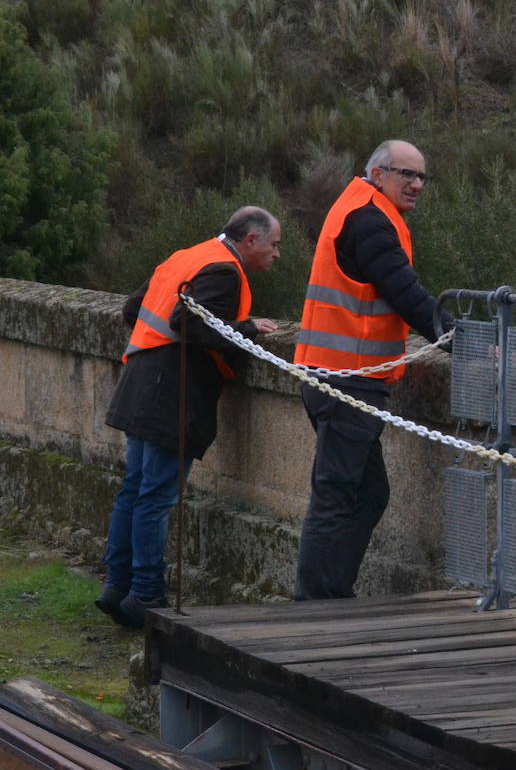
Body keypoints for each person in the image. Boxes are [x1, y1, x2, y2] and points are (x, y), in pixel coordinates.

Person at [98, 207, 282, 628]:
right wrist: (248, 328)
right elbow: (187, 321)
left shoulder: (186, 256)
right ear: (250, 240)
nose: (277, 254)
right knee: (155, 496)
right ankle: (146, 594)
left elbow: (133, 308)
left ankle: (117, 585)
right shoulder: (225, 271)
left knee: (134, 490)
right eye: (274, 245)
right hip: (172, 392)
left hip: (142, 379)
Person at [293, 140, 455, 600]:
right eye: (407, 174)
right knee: (337, 496)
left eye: (422, 176)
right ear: (378, 173)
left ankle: (329, 594)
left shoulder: (360, 208)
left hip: (338, 376)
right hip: (347, 380)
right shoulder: (370, 220)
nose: (417, 184)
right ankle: (315, 605)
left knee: (365, 495)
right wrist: (466, 342)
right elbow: (405, 292)